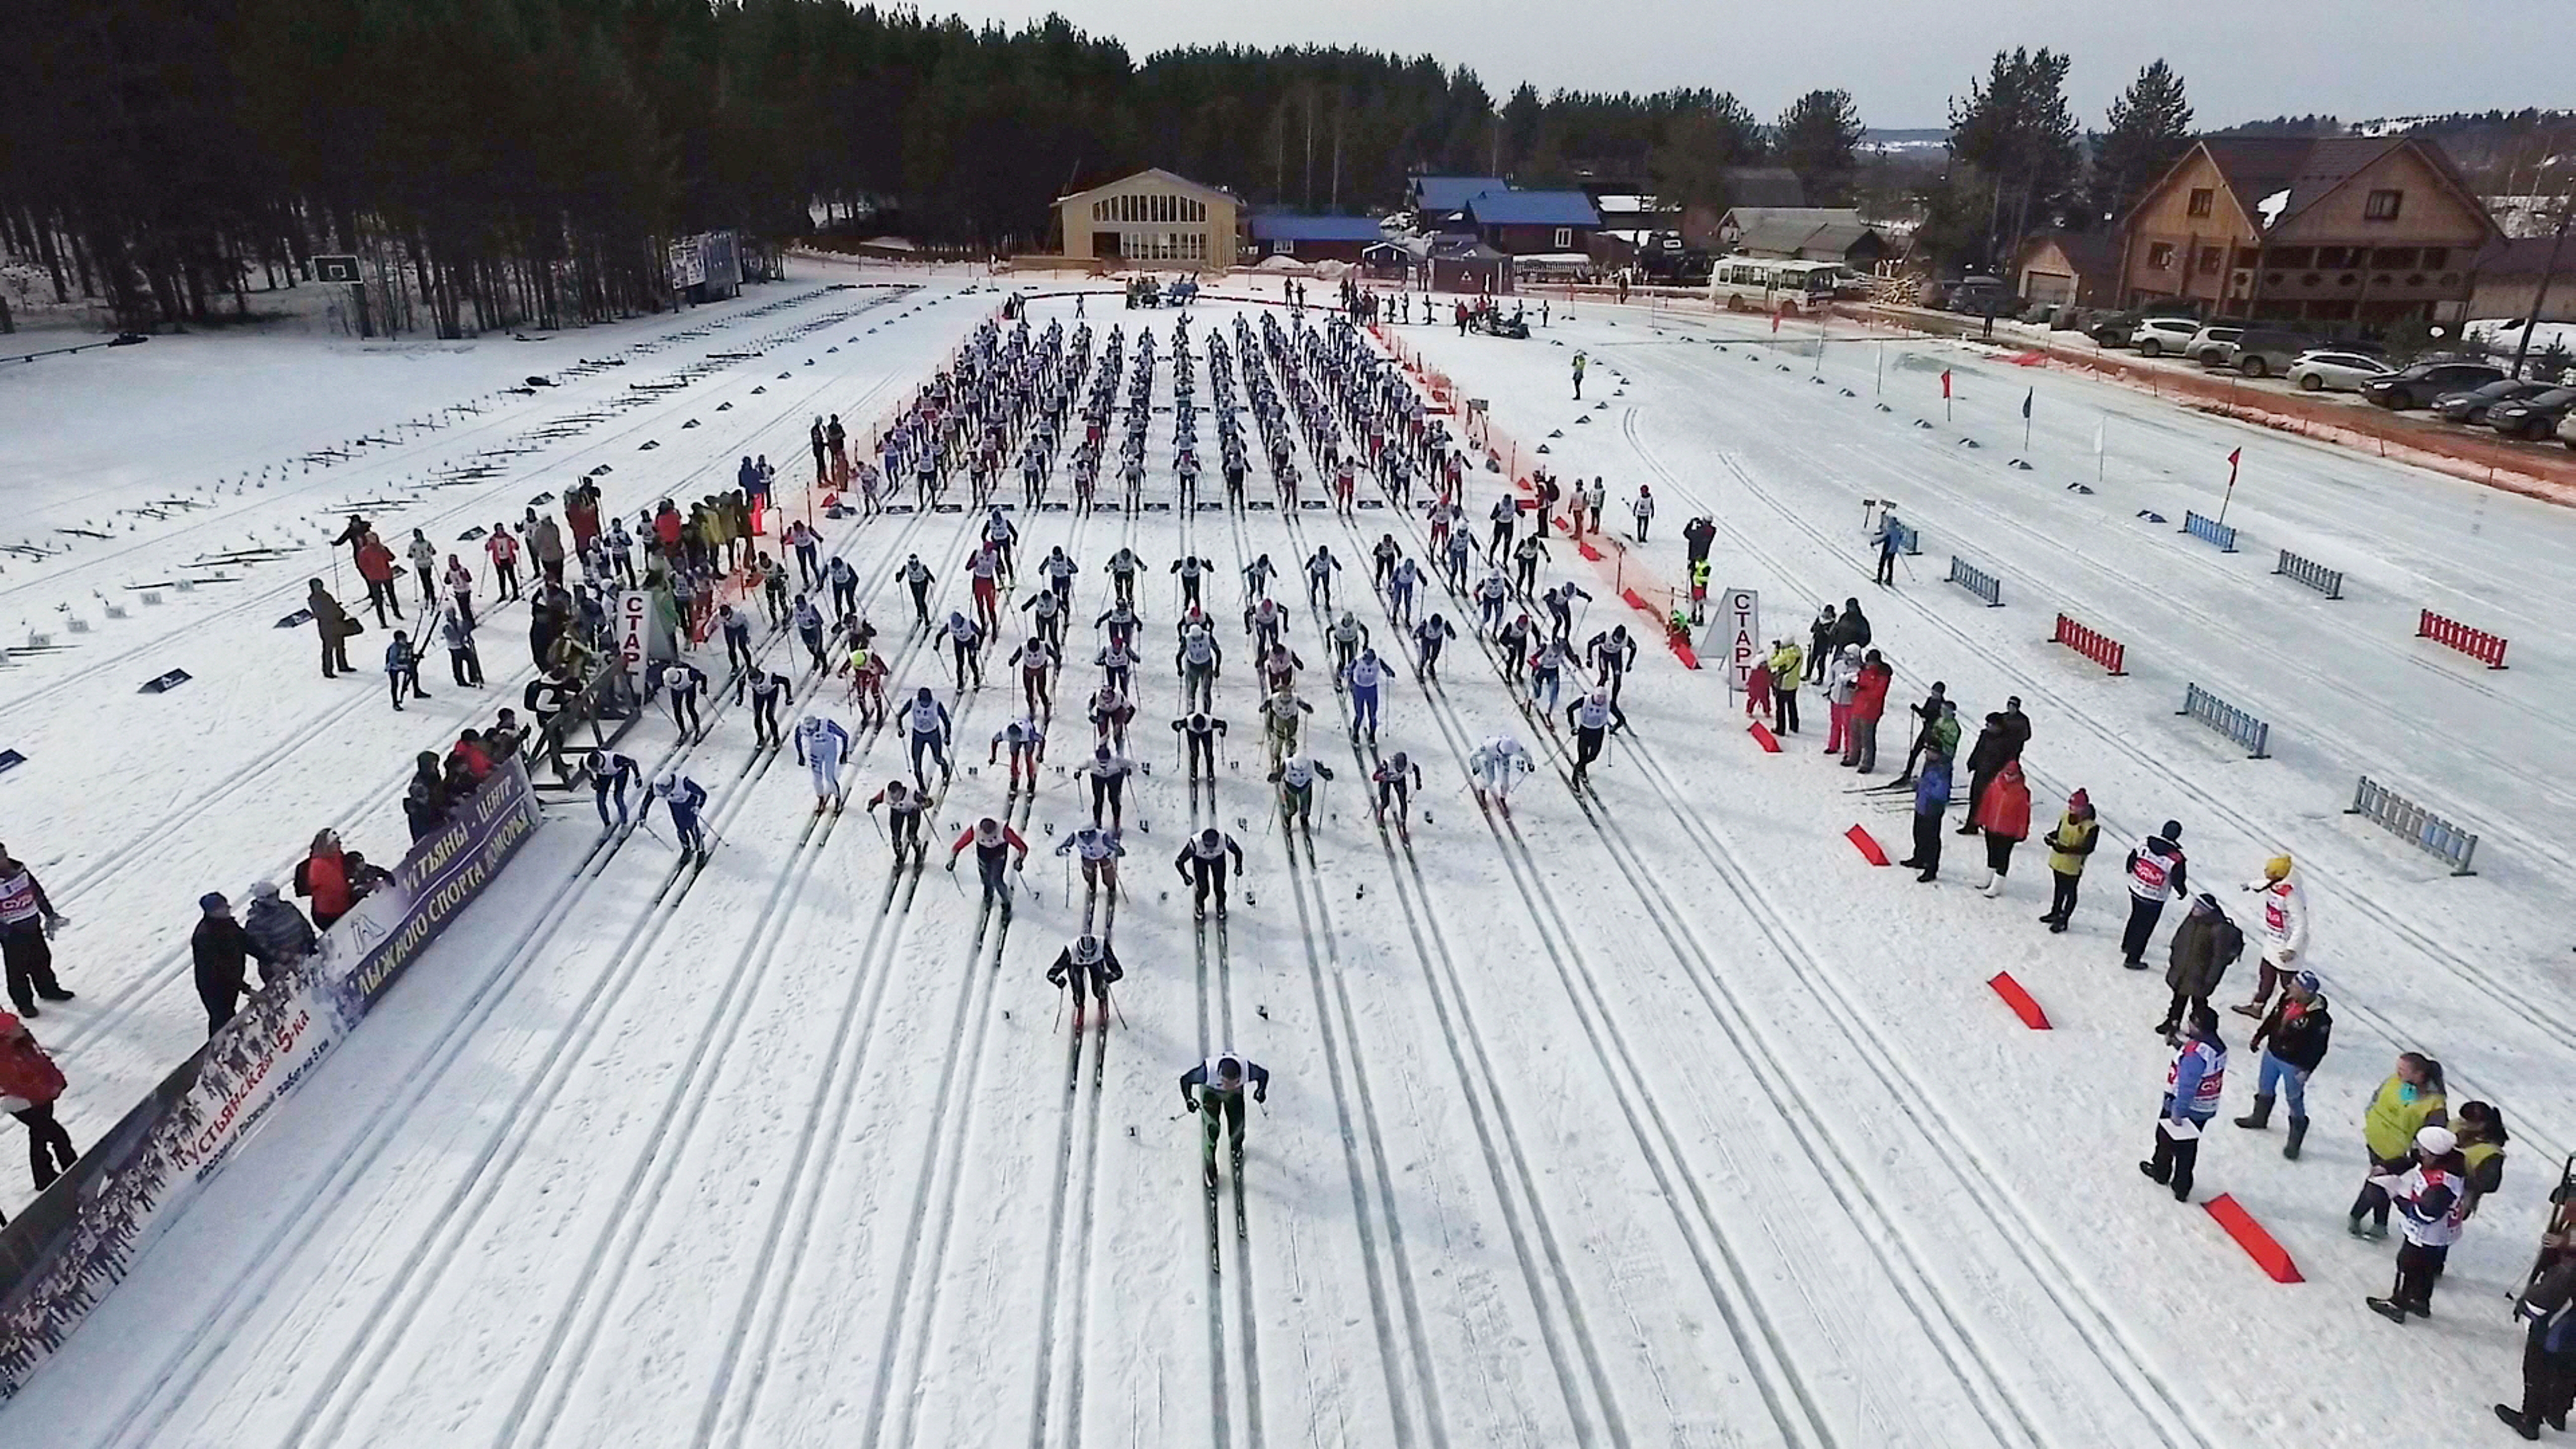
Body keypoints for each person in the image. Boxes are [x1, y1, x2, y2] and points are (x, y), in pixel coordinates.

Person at [2366, 1125, 2472, 1324]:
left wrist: (2395, 1194)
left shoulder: (2441, 1187)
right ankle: (2420, 1301)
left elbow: (2424, 1214)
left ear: (2432, 1154)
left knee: (2408, 1264)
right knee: (2426, 1268)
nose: (2418, 1152)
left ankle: (2398, 1305)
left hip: (2428, 1233)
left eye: (2422, 1150)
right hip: (2443, 1232)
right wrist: (2387, 1167)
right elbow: (2410, 1159)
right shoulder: (2450, 1160)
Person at [2235, 970, 2332, 1157]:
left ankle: (2295, 1138)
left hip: (2294, 1064)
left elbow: (2319, 1048)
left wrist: (2307, 1070)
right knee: (2265, 1087)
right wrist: (2259, 1036)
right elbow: (2274, 1018)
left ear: (2306, 992)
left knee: (2294, 1099)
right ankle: (2259, 1117)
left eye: (2295, 986)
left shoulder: (2319, 1019)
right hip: (2273, 1054)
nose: (2290, 988)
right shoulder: (2286, 999)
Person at [2352, 1053, 2449, 1239]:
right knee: (2381, 1185)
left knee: (2377, 1184)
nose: (2398, 1073)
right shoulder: (2395, 1081)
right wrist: (2370, 1117)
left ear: (2419, 1076)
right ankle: (2379, 1224)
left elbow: (2432, 1135)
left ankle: (2358, 1216)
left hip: (2398, 1154)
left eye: (2403, 1070)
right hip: (2376, 1141)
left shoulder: (2434, 1104)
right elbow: (2376, 1097)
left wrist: (2414, 1154)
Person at [2139, 1003, 2226, 1203]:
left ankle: (2162, 1173)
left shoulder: (2195, 1055)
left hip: (2184, 1106)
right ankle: (2182, 1186)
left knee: (2167, 1140)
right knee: (2189, 1147)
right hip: (2205, 1107)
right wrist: (2180, 1046)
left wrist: (2178, 1112)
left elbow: (2188, 1084)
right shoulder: (2215, 1046)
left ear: (2197, 1026)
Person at [2499, 1253, 2576, 1439]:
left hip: (2560, 1324)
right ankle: (2557, 1412)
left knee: (2537, 1366)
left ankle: (2530, 1420)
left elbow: (2548, 1295)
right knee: (2570, 1367)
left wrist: (2527, 1303)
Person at [0, 1012, 77, 1191]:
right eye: (15, 1027)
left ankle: (46, 1175)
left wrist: (55, 1080)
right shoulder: (4, 1057)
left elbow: (41, 1061)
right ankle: (66, 1167)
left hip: (41, 1095)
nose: (21, 1027)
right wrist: (45, 1091)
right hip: (24, 1103)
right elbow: (16, 1084)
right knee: (55, 1134)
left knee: (40, 1135)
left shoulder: (23, 1041)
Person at [2231, 855, 2310, 1019]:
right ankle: (2257, 1006)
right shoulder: (2276, 883)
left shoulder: (2291, 896)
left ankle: (2296, 1012)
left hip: (2287, 945)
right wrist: (2250, 885)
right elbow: (2263, 883)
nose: (2265, 872)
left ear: (2277, 874)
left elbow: (2301, 924)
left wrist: (2291, 949)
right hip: (2273, 940)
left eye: (2269, 870)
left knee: (2288, 983)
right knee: (2266, 974)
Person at [2156, 894, 2243, 1040]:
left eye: (2199, 907)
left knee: (2200, 1004)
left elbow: (2219, 959)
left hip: (2201, 975)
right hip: (2184, 971)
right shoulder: (2192, 920)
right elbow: (2180, 938)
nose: (2195, 909)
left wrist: (2210, 980)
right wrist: (2175, 959)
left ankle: (2201, 1028)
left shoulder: (2218, 929)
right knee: (2178, 999)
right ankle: (2172, 1022)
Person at [190, 892, 276, 1036]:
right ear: (213, 912)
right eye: (223, 907)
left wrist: (269, 960)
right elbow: (219, 969)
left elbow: (246, 942)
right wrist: (247, 990)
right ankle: (219, 1052)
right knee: (223, 1019)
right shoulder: (204, 936)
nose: (228, 908)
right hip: (214, 987)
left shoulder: (227, 923)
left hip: (231, 979)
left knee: (228, 1016)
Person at [0, 846, 72, 1018]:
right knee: (18, 970)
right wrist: (6, 931)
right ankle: (24, 1003)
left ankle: (48, 989)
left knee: (42, 959)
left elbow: (36, 892)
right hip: (12, 934)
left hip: (32, 924)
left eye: (3, 856)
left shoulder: (19, 871)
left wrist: (49, 914)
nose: (3, 861)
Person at [1181, 1053, 1270, 1185]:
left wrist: (1261, 1091)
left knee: (1238, 1124)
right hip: (1211, 1092)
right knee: (1212, 1128)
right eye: (1226, 1083)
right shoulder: (1206, 1073)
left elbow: (1263, 1075)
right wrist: (1189, 1100)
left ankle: (1236, 1147)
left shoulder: (1248, 1070)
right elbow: (1186, 1080)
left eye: (1235, 1083)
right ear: (1219, 1075)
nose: (1228, 1087)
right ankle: (1210, 1164)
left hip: (1235, 1095)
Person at [2119, 821, 2188, 969]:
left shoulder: (2144, 843)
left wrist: (2129, 869)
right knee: (2145, 927)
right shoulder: (2176, 858)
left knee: (2135, 917)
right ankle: (2133, 958)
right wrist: (2182, 892)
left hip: (2137, 888)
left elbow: (2132, 858)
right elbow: (2178, 879)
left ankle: (2127, 944)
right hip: (2155, 897)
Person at [2037, 789, 2097, 933]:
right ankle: (2055, 912)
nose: (2071, 809)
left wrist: (2066, 849)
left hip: (2073, 865)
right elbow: (2060, 831)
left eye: (2075, 807)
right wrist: (2051, 837)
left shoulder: (2090, 827)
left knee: (2070, 891)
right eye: (2070, 806)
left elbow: (2088, 849)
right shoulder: (2065, 816)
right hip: (2058, 860)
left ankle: (2064, 919)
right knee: (2059, 888)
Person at [1971, 759, 2032, 898]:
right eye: (2007, 774)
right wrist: (1982, 819)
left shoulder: (2023, 792)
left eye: (2012, 775)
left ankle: (1997, 884)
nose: (2009, 777)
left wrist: (2022, 832)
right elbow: (1987, 803)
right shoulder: (1995, 785)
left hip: (2008, 831)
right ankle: (1988, 878)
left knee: (2003, 857)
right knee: (1991, 852)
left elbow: (2024, 815)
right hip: (1992, 825)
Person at [947, 816, 1031, 915]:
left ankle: (1006, 901)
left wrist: (1020, 860)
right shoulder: (975, 831)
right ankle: (989, 894)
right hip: (984, 857)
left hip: (999, 856)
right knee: (986, 879)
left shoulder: (1004, 831)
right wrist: (952, 860)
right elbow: (958, 846)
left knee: (997, 880)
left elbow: (1023, 848)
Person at [1047, 934, 1124, 1032]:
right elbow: (1052, 973)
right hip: (1076, 963)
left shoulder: (1102, 946)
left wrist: (1109, 977)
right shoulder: (1071, 950)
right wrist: (1058, 981)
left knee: (1098, 984)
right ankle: (1080, 1007)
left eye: (1091, 953)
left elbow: (1118, 971)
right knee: (1077, 985)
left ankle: (1102, 999)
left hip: (1096, 962)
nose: (1087, 957)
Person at [241, 880, 317, 974]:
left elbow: (305, 926)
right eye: (271, 896)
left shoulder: (288, 907)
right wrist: (289, 957)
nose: (275, 898)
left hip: (305, 955)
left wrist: (310, 944)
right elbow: (263, 950)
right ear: (261, 899)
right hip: (284, 967)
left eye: (277, 893)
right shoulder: (256, 923)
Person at [1905, 733, 1952, 883]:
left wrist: (1922, 784)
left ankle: (1931, 869)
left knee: (1931, 839)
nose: (1926, 754)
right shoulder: (1930, 763)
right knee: (1918, 833)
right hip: (1922, 804)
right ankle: (1919, 858)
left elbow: (1941, 792)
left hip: (1933, 808)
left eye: (1929, 751)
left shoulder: (1943, 768)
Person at [1175, 828, 1245, 919]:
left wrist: (1239, 866)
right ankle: (1199, 906)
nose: (1211, 849)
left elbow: (1238, 852)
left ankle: (1221, 905)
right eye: (1208, 846)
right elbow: (1179, 862)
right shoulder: (1195, 844)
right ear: (1203, 842)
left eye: (1214, 845)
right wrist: (1185, 876)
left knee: (1219, 888)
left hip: (1218, 859)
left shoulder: (1224, 840)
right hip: (1200, 861)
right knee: (1204, 889)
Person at [1843, 649, 1891, 771]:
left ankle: (1867, 763)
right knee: (1855, 735)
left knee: (1867, 738)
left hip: (1871, 711)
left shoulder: (1882, 675)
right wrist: (1854, 687)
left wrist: (1860, 689)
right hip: (1858, 707)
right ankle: (1853, 757)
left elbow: (1878, 693)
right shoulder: (1864, 671)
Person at [1567, 689, 1625, 789]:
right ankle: (1576, 776)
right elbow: (1570, 709)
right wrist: (1573, 726)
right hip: (1585, 730)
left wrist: (1614, 728)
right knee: (1583, 755)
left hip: (1598, 732)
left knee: (1593, 756)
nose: (1600, 700)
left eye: (1603, 698)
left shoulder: (1608, 704)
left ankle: (1579, 768)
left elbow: (1621, 719)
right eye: (1598, 697)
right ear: (1594, 695)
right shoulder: (1585, 701)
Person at [645, 771, 711, 860]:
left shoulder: (684, 783)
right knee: (680, 828)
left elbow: (702, 794)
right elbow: (647, 801)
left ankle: (701, 851)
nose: (665, 793)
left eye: (667, 789)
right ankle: (686, 848)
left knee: (692, 826)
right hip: (675, 805)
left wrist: (698, 807)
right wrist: (643, 815)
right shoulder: (656, 787)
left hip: (689, 803)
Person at [796, 713, 853, 815]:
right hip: (815, 752)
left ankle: (837, 799)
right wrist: (801, 755)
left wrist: (844, 753)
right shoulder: (801, 728)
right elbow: (797, 739)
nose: (810, 733)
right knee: (816, 779)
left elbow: (844, 735)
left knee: (829, 777)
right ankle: (821, 798)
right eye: (808, 731)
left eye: (812, 730)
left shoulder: (827, 725)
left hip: (829, 752)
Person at [309, 579, 356, 679]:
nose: (319, 587)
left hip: (337, 624)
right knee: (328, 649)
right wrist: (335, 612)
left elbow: (332, 607)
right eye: (317, 586)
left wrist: (339, 611)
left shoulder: (326, 595)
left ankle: (343, 666)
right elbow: (322, 613)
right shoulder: (314, 599)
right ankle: (328, 670)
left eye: (320, 585)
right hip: (327, 627)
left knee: (340, 647)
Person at [584, 749, 641, 830]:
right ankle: (607, 824)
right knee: (600, 800)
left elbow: (632, 762)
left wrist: (637, 776)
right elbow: (584, 770)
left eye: (595, 769)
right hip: (603, 775)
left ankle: (624, 822)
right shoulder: (585, 761)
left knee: (618, 798)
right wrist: (593, 781)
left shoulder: (616, 760)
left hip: (619, 773)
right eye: (593, 770)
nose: (594, 771)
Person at [1823, 644, 1861, 757]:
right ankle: (1833, 745)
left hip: (1849, 702)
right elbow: (1831, 678)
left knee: (1848, 727)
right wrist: (1831, 688)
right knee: (1835, 724)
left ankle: (1849, 749)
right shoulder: (1838, 665)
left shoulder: (1858, 670)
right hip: (1836, 699)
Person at [1766, 638, 1803, 734]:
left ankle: (1780, 729)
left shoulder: (1786, 656)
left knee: (1780, 708)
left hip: (1784, 684)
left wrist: (1777, 651)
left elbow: (1772, 663)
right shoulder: (1798, 651)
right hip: (1794, 683)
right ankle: (1794, 726)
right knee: (1792, 705)